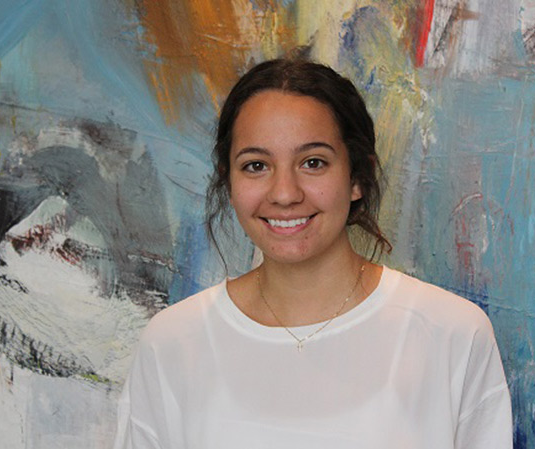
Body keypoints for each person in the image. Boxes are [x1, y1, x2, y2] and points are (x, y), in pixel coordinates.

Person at [115, 58, 512, 449]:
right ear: (228, 181)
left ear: (357, 177)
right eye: (255, 165)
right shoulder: (171, 344)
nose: (285, 193)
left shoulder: (452, 335)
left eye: (313, 162)